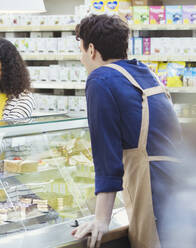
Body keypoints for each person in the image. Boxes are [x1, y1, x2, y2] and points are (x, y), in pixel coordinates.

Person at [71, 14, 184, 248]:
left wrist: (101, 219)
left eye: (80, 50)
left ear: (91, 49)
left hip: (154, 196)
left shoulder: (100, 79)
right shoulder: (144, 72)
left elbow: (106, 153)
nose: (81, 58)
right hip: (178, 192)